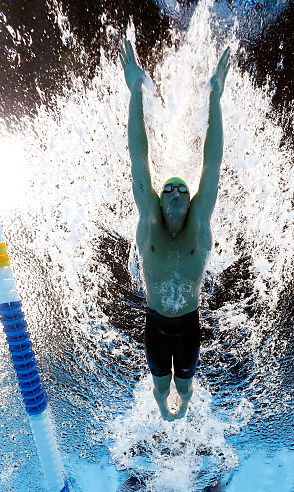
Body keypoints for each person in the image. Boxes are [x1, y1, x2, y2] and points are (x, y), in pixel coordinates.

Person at [119, 39, 230, 421]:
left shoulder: (199, 221)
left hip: (187, 324)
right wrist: (135, 90)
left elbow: (211, 162)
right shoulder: (148, 218)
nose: (177, 191)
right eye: (170, 188)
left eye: (183, 188)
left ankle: (182, 403)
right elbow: (138, 155)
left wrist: (215, 96)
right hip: (154, 323)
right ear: (160, 198)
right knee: (160, 386)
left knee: (183, 387)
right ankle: (162, 401)